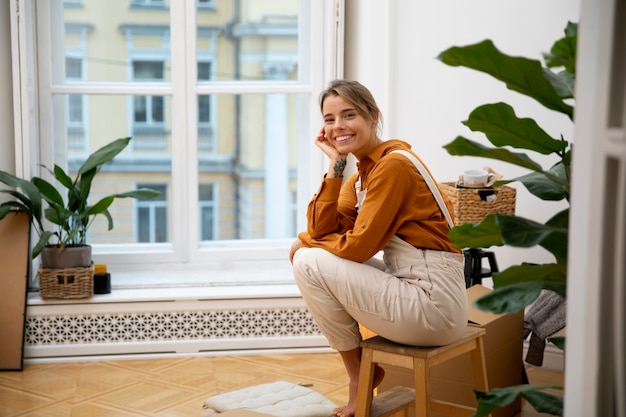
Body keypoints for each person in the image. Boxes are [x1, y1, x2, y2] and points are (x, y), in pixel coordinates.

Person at [289, 79, 468, 417]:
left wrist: (306, 240)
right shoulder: (361, 175)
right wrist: (335, 166)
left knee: (308, 260)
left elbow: (356, 248)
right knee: (311, 255)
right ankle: (361, 374)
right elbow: (324, 228)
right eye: (329, 119)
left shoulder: (393, 166)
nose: (338, 126)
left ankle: (359, 377)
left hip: (433, 304)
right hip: (415, 287)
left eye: (349, 114)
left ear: (373, 116)